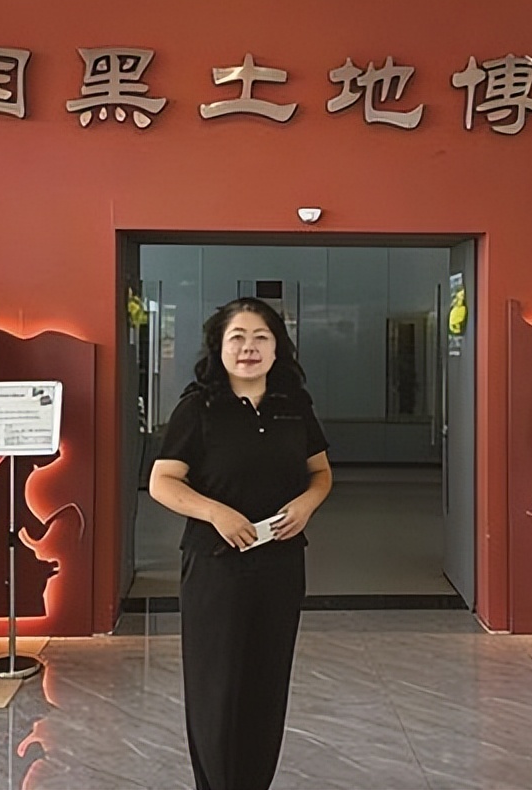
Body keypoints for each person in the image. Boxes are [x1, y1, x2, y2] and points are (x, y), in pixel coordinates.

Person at [149, 297, 332, 790]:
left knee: (267, 683)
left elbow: (320, 473)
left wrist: (306, 505)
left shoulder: (293, 406)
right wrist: (215, 512)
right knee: (217, 687)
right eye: (238, 337)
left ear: (277, 348)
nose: (248, 348)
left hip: (280, 564)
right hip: (216, 567)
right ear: (219, 346)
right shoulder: (198, 407)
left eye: (261, 338)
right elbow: (163, 481)